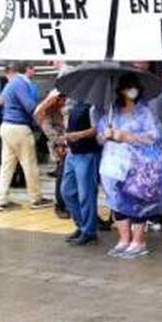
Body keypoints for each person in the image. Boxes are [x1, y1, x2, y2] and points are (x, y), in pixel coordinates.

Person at [95, 73, 162, 259]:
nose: (132, 91)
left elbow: (154, 138)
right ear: (119, 90)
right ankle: (124, 239)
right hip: (114, 165)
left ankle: (138, 241)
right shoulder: (111, 112)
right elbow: (99, 136)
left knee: (137, 203)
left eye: (134, 87)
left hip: (138, 166)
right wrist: (105, 135)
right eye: (128, 87)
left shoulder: (145, 113)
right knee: (117, 202)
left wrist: (128, 137)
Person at [0, 61, 51, 211]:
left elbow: (0, 100)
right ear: (26, 70)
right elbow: (30, 107)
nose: (35, 71)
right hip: (19, 127)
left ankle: (2, 200)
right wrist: (47, 103)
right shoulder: (20, 83)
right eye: (33, 68)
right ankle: (36, 199)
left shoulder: (11, 84)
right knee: (29, 164)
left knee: (7, 166)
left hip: (6, 126)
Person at [59, 95, 101, 246]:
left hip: (87, 153)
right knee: (67, 191)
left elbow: (99, 129)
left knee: (86, 194)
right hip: (73, 152)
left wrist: (78, 135)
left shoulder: (95, 105)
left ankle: (89, 231)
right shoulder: (75, 102)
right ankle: (82, 225)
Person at [33, 89, 71, 220]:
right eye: (61, 99)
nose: (63, 101)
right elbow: (48, 129)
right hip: (59, 147)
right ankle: (60, 205)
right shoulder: (47, 112)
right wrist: (60, 139)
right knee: (61, 176)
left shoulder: (66, 110)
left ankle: (68, 204)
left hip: (71, 144)